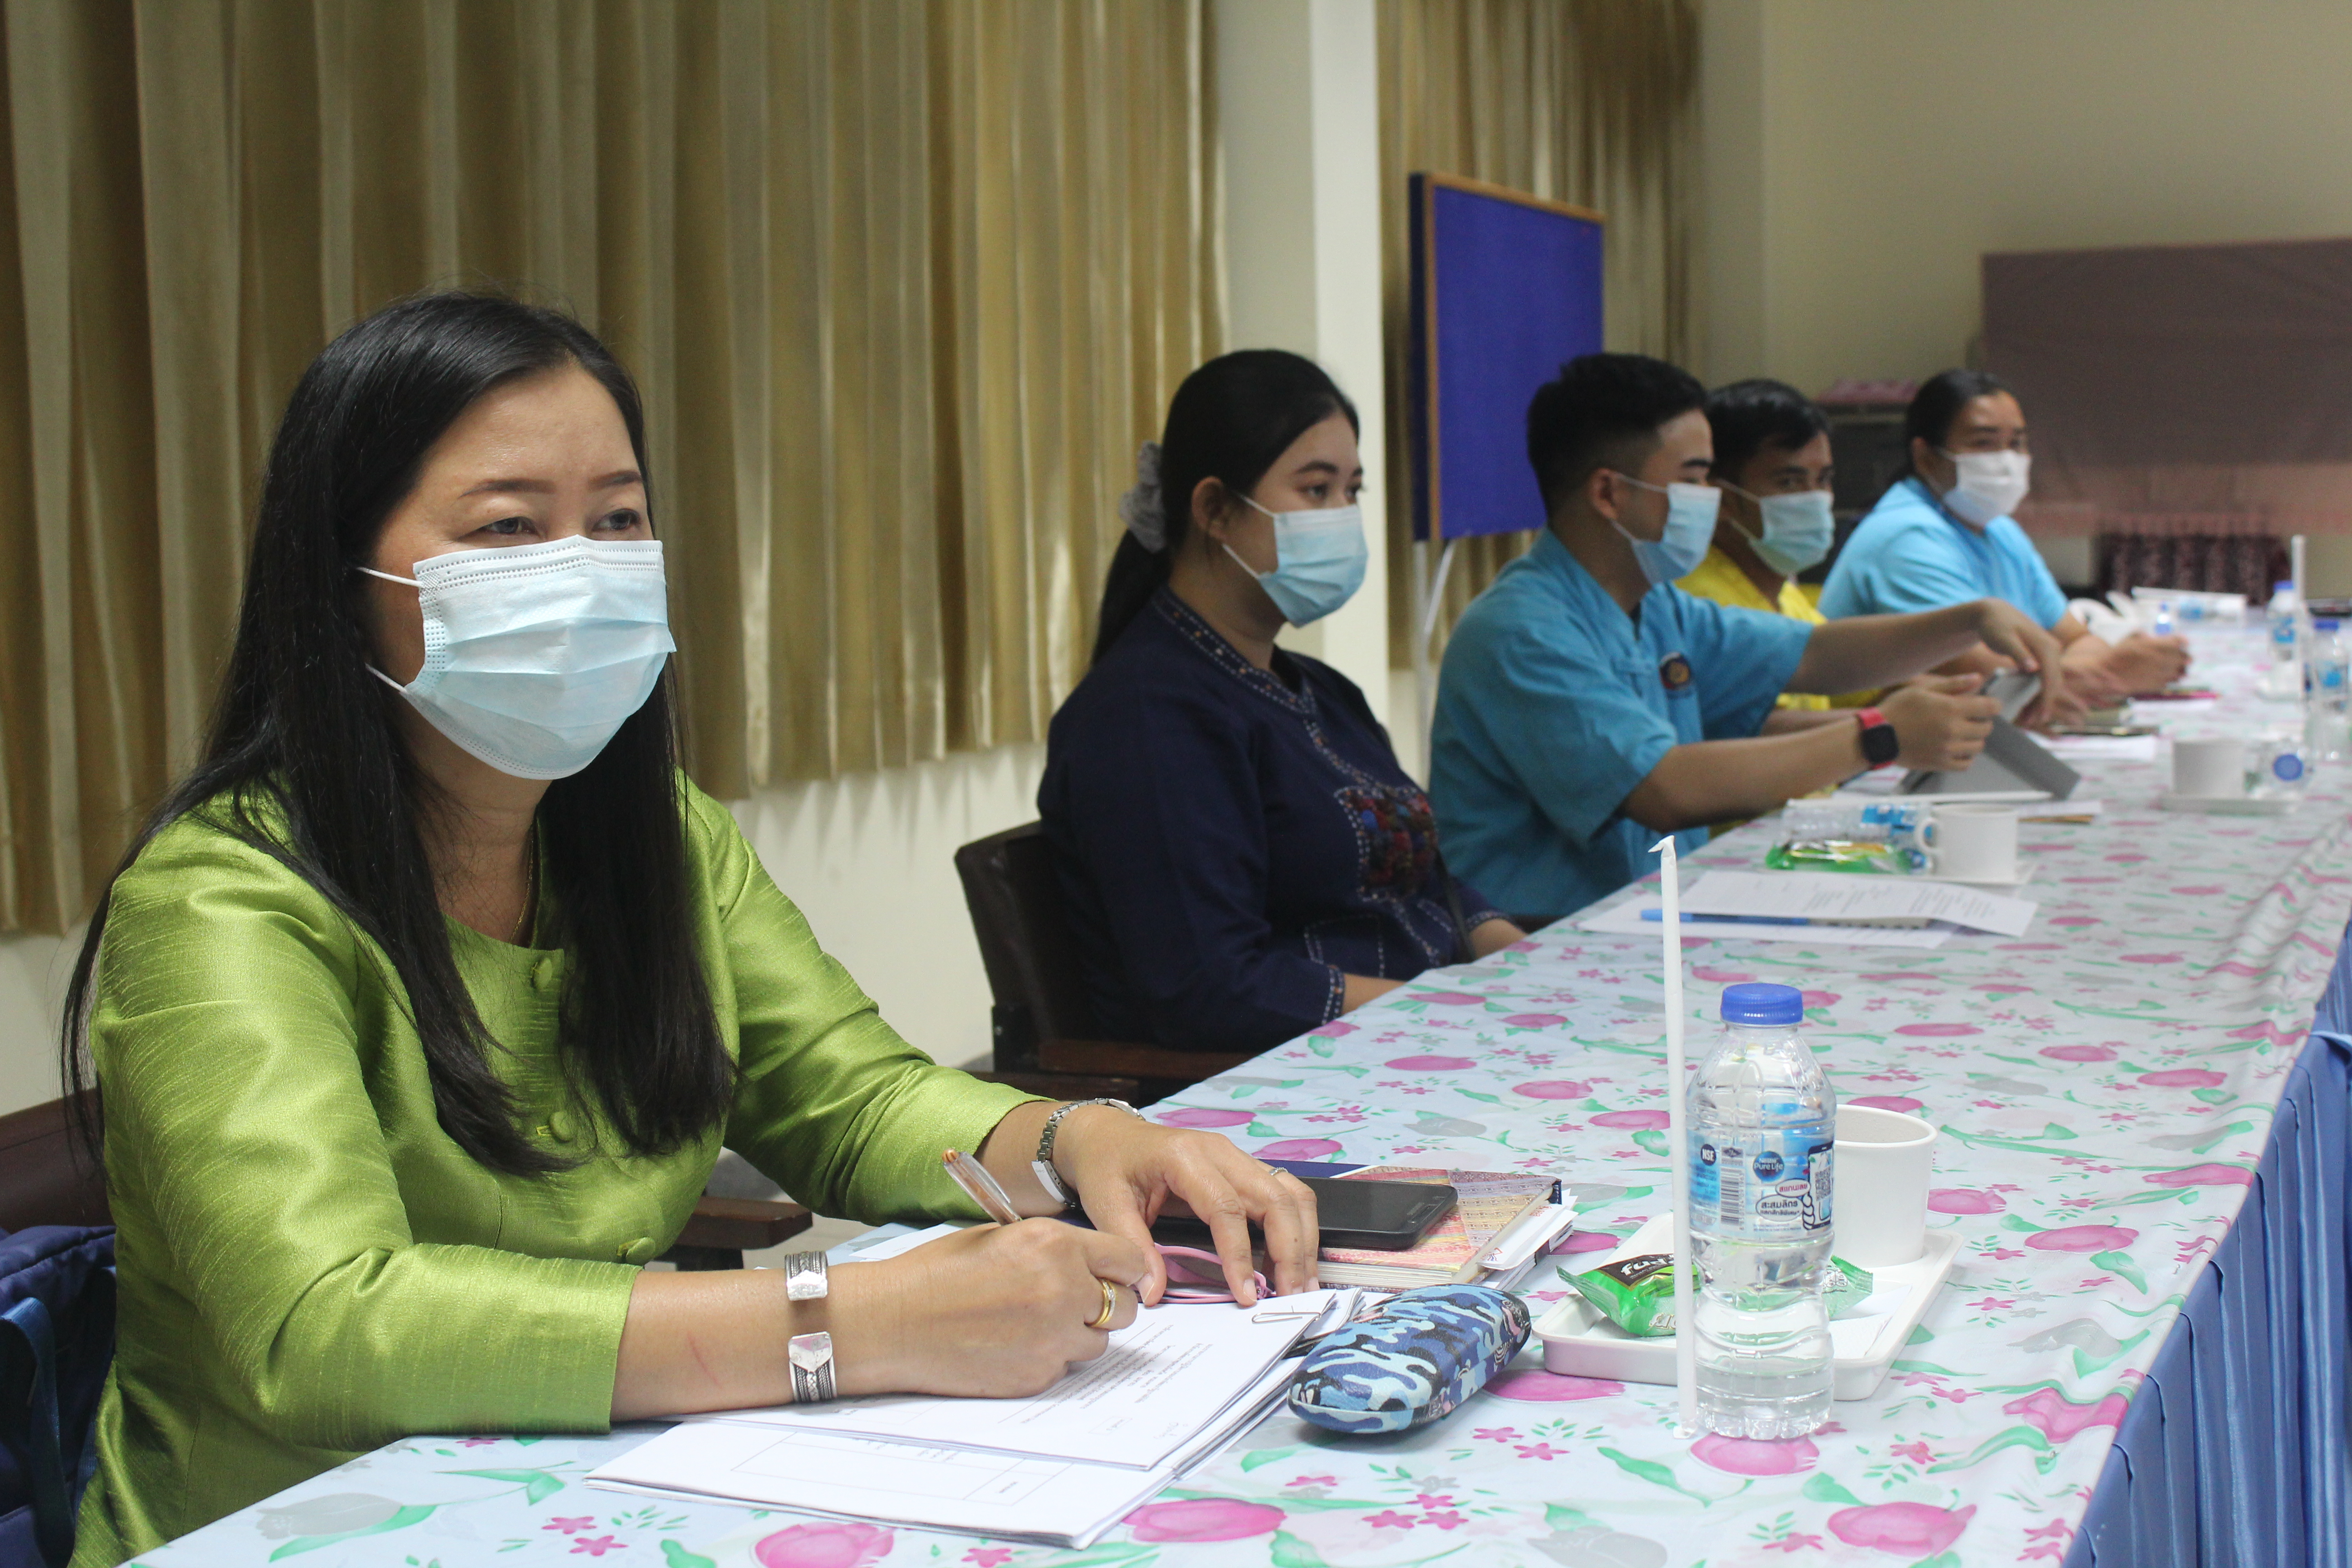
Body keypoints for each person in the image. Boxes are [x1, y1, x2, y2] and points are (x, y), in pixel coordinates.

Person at [64, 294, 1319, 1566]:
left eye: (616, 520)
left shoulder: (657, 837)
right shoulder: (221, 900)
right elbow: (321, 1323)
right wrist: (853, 1320)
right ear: (344, 580)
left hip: (605, 1485)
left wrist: (1070, 1134)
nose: (583, 565)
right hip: (299, 1525)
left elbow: (848, 1098)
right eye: (510, 526)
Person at [1430, 353, 2068, 925]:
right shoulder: (1521, 630)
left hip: (1648, 915)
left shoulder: (1656, 607)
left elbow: (1814, 654)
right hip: (1541, 935)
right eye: (1697, 477)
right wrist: (1880, 733)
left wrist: (1969, 619)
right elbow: (1665, 789)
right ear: (1609, 492)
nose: (1712, 500)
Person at [1040, 351, 1524, 1054]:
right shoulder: (1148, 716)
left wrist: (1517, 964)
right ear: (1214, 509)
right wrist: (1439, 1012)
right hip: (1296, 1088)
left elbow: (1428, 878)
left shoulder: (1322, 690)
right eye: (1316, 490)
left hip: (1425, 1043)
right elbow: (1210, 987)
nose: (1344, 516)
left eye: (1352, 490)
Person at [1818, 369, 2189, 702]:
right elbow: (1986, 676)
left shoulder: (1999, 530)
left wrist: (2083, 671)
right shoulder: (1906, 539)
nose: (2006, 460)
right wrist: (2109, 669)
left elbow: (2076, 640)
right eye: (1984, 443)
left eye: (2016, 443)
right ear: (1927, 457)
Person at [1676, 377, 1874, 718]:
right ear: (1721, 498)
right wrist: (1889, 723)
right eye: (1789, 482)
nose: (1815, 499)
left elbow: (1846, 678)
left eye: (1823, 480)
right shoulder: (1702, 602)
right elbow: (1762, 729)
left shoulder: (1775, 585)